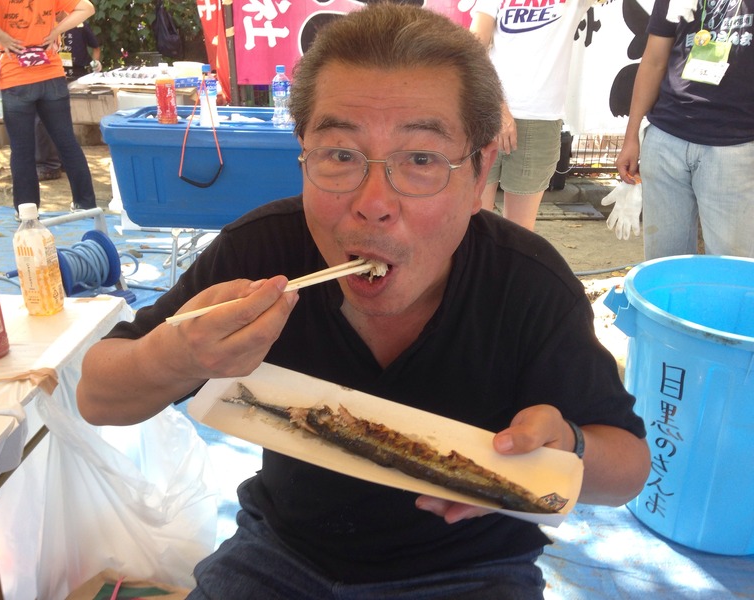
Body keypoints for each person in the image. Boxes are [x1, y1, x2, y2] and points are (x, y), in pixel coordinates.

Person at [77, 5, 650, 598]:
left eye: (421, 160)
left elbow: (628, 469)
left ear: (479, 172)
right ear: (303, 156)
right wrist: (178, 357)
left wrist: (565, 449)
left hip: (473, 569)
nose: (373, 203)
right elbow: (96, 397)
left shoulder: (526, 282)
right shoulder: (262, 251)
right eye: (341, 155)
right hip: (281, 551)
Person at [615, 0, 754, 259]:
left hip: (735, 145)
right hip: (666, 137)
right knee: (664, 262)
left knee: (730, 266)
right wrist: (631, 135)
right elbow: (653, 61)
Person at [470, 0, 600, 231]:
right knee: (473, 220)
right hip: (487, 112)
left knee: (519, 231)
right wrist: (499, 106)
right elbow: (474, 45)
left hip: (540, 118)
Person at [0, 0, 98, 214]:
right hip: (51, 73)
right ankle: (86, 205)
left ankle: (27, 212)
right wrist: (56, 31)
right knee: (67, 143)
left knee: (22, 150)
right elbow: (87, 8)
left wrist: (1, 36)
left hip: (14, 75)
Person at [36, 21, 102, 182]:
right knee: (49, 119)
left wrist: (95, 64)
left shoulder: (79, 24)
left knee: (50, 120)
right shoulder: (44, 23)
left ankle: (53, 164)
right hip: (51, 75)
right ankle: (57, 163)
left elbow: (96, 47)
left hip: (72, 76)